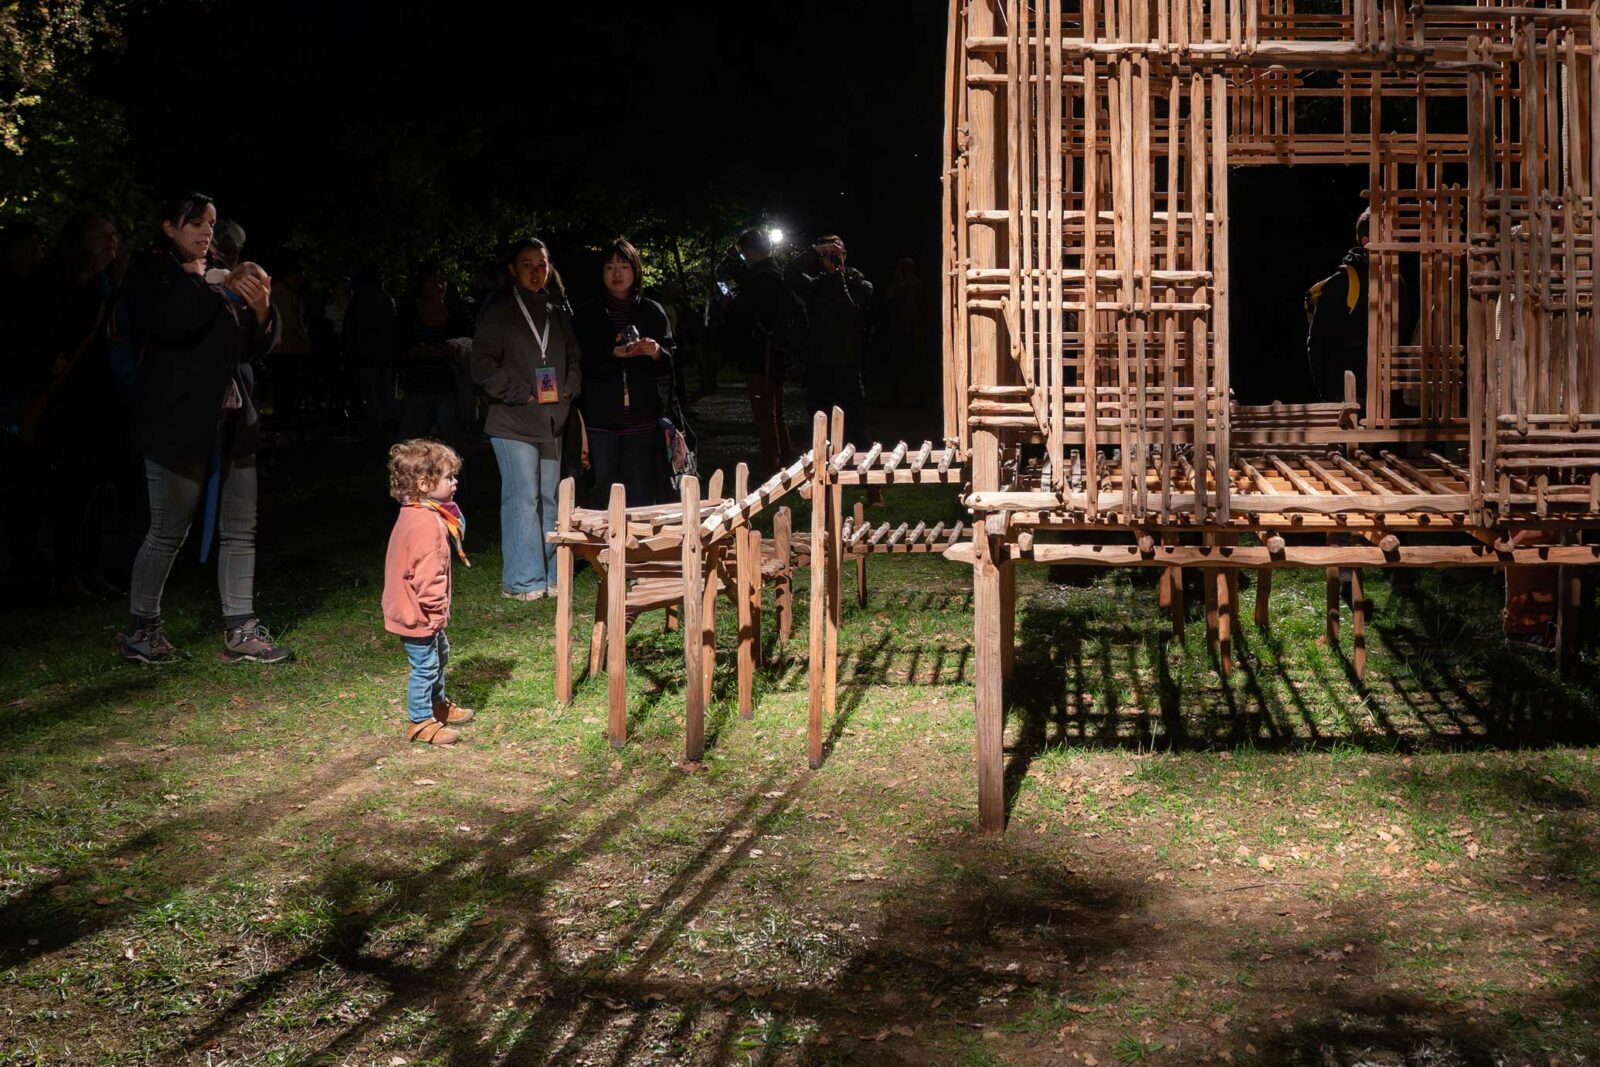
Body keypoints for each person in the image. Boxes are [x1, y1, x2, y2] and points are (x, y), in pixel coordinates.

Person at [120, 191, 291, 664]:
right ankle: (142, 629)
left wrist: (261, 308)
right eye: (195, 222)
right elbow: (178, 322)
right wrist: (212, 283)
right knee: (167, 530)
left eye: (211, 223)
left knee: (240, 528)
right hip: (177, 422)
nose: (206, 231)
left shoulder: (217, 274)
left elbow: (249, 347)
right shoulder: (152, 272)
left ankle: (242, 630)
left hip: (232, 420)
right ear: (169, 227)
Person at [472, 238, 581, 600]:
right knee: (523, 498)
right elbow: (481, 365)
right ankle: (523, 580)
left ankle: (550, 575)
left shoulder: (556, 310)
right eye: (527, 265)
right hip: (513, 421)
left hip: (552, 419)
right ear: (512, 270)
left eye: (542, 265)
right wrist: (521, 393)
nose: (536, 272)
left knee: (550, 498)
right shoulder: (499, 311)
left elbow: (574, 358)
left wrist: (567, 393)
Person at [25, 213, 124, 598]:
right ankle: (63, 572)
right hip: (66, 400)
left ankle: (88, 568)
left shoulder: (105, 282)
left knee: (95, 487)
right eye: (102, 234)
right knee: (71, 487)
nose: (111, 241)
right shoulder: (58, 282)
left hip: (98, 396)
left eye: (114, 234)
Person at [383, 438, 475, 745]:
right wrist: (435, 612)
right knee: (425, 665)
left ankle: (438, 705)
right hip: (418, 613)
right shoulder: (426, 523)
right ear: (424, 484)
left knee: (439, 654)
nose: (455, 482)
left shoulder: (415, 512)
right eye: (449, 477)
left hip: (416, 609)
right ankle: (420, 721)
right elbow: (427, 575)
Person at [576, 237, 675, 507]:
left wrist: (656, 352)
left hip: (643, 419)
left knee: (640, 491)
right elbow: (579, 361)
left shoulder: (651, 312)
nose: (617, 274)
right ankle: (603, 535)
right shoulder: (587, 315)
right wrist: (610, 353)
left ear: (635, 270)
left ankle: (638, 537)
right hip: (601, 419)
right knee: (603, 492)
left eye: (624, 267)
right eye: (610, 267)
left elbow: (672, 361)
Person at [720, 228, 796, 477]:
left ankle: (772, 467)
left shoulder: (760, 278)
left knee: (765, 414)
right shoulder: (775, 274)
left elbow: (744, 314)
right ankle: (784, 461)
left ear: (751, 252)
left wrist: (730, 305)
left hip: (761, 355)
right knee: (775, 412)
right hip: (774, 353)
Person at [787, 233, 873, 448]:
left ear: (845, 254)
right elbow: (789, 275)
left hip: (848, 365)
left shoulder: (859, 284)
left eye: (835, 252)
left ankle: (861, 466)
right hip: (819, 365)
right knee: (819, 425)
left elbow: (850, 312)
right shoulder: (815, 285)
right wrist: (814, 251)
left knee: (855, 425)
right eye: (827, 254)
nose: (831, 256)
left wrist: (837, 276)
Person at [396, 262, 472, 443]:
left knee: (452, 442)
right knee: (410, 442)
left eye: (442, 281)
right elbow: (397, 346)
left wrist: (453, 349)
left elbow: (471, 339)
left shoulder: (456, 311)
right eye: (432, 282)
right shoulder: (408, 313)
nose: (439, 286)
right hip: (418, 386)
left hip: (448, 386)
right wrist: (417, 351)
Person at [344, 266, 397, 435]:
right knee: (383, 390)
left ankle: (377, 423)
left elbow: (350, 329)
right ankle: (385, 422)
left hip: (366, 354)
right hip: (381, 353)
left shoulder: (359, 301)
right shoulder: (385, 300)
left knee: (372, 391)